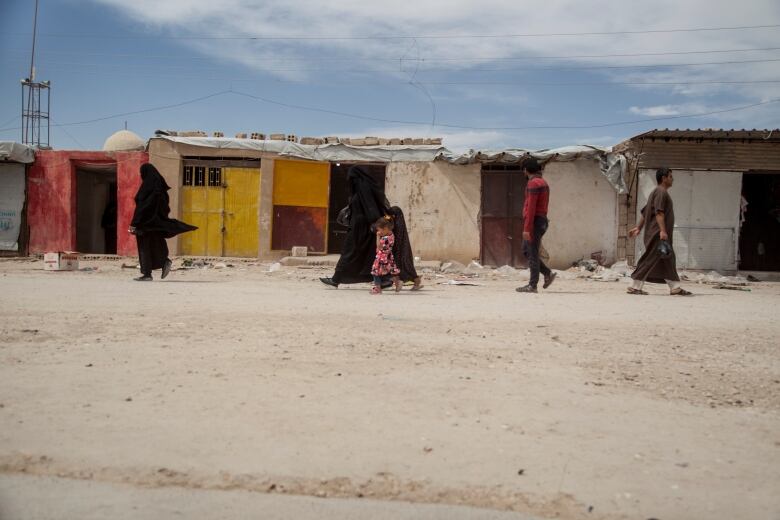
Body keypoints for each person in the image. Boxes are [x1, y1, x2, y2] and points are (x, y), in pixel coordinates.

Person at [320, 165, 391, 287]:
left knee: (350, 252)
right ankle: (383, 280)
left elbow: (370, 207)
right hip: (361, 227)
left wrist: (374, 224)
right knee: (367, 254)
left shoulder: (362, 188)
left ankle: (336, 279)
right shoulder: (362, 188)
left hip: (361, 228)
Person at [627, 167, 692, 296]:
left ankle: (675, 287)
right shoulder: (661, 192)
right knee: (651, 258)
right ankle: (635, 286)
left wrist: (638, 227)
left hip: (658, 233)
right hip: (657, 234)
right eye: (671, 176)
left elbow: (646, 212)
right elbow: (659, 213)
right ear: (664, 178)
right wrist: (662, 231)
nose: (672, 179)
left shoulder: (656, 192)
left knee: (668, 258)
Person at [129, 163, 197, 281]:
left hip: (144, 225)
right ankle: (163, 262)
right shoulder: (161, 191)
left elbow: (142, 208)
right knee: (155, 246)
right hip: (156, 224)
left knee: (144, 249)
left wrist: (134, 224)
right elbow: (165, 209)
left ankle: (147, 274)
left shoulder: (147, 189)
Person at [516, 157, 556, 293]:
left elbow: (531, 208)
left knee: (532, 252)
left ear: (526, 170)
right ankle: (547, 273)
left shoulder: (533, 184)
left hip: (534, 222)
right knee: (526, 250)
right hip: (541, 221)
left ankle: (532, 285)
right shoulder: (543, 182)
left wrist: (527, 228)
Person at [388, 206, 423, 290]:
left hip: (400, 250)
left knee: (401, 267)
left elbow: (396, 238)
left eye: (392, 214)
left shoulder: (396, 224)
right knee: (406, 267)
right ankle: (415, 281)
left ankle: (414, 281)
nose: (391, 216)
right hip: (403, 250)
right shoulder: (399, 222)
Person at [370, 216, 402, 294]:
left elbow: (379, 246)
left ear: (386, 228)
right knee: (391, 270)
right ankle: (398, 283)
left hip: (382, 257)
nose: (379, 232)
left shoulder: (385, 239)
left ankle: (378, 288)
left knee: (375, 271)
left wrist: (377, 236)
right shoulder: (391, 235)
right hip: (389, 256)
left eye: (380, 230)